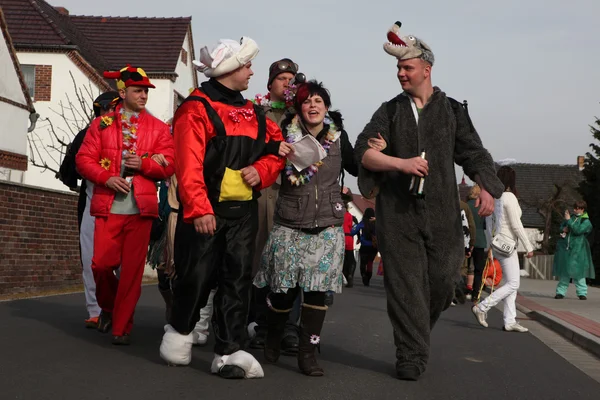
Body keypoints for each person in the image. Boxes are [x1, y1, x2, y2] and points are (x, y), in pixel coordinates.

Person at [354, 21, 504, 380]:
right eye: (398, 69)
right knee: (405, 286)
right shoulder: (389, 111)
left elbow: (475, 153)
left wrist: (486, 187)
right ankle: (411, 355)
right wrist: (399, 163)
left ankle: (416, 333)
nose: (401, 74)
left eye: (407, 68)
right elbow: (363, 153)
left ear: (426, 68)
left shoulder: (452, 110)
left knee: (441, 283)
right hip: (398, 214)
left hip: (442, 215)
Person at [159, 37, 285, 379]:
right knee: (196, 278)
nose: (251, 72)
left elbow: (276, 153)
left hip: (242, 213)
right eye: (246, 66)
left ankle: (228, 350)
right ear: (230, 69)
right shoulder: (196, 109)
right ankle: (180, 332)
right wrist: (199, 209)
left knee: (238, 280)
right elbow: (188, 165)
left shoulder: (255, 114)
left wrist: (260, 171)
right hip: (206, 212)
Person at [254, 80, 362, 377]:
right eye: (306, 101)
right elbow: (259, 156)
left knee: (317, 295)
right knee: (283, 294)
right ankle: (274, 334)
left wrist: (377, 154)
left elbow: (355, 166)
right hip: (290, 222)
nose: (313, 106)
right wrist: (273, 148)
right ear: (298, 108)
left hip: (327, 224)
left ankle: (307, 353)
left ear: (326, 107)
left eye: (318, 101)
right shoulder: (284, 134)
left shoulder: (339, 138)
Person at [76, 65, 175, 345]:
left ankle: (122, 327)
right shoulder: (102, 125)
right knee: (100, 266)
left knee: (131, 273)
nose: (143, 95)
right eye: (137, 90)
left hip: (141, 210)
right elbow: (83, 161)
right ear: (123, 92)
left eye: (146, 91)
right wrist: (107, 178)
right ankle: (109, 308)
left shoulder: (158, 128)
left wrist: (144, 164)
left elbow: (170, 163)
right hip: (108, 207)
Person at [249, 58, 301, 355]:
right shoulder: (255, 112)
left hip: (290, 198)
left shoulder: (302, 114)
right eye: (282, 78)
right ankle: (259, 324)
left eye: (292, 79)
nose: (287, 83)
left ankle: (289, 328)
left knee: (290, 264)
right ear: (269, 84)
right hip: (259, 195)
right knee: (259, 261)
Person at [57, 91, 120, 329]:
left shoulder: (133, 132)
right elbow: (70, 168)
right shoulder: (86, 134)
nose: (112, 114)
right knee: (91, 257)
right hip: (94, 204)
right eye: (108, 109)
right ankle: (96, 309)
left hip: (127, 205)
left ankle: (117, 308)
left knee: (122, 260)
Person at [472, 166, 534, 332]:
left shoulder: (495, 197)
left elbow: (488, 223)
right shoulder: (509, 197)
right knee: (513, 283)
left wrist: (489, 244)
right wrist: (528, 246)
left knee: (509, 282)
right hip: (508, 245)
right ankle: (483, 307)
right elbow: (516, 225)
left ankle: (510, 320)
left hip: (497, 244)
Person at [553, 200, 595, 300]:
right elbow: (562, 226)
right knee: (565, 270)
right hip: (567, 248)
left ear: (583, 209)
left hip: (579, 249)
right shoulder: (572, 218)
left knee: (579, 271)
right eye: (574, 208)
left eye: (577, 208)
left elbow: (578, 230)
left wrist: (568, 221)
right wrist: (563, 229)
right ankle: (560, 292)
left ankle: (582, 292)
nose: (575, 210)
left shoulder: (586, 221)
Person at [467, 185, 488, 302]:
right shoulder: (482, 206)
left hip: (467, 238)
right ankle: (476, 294)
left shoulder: (467, 206)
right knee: (478, 269)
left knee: (464, 267)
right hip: (480, 239)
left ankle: (462, 290)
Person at [350, 208, 378, 286]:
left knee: (363, 262)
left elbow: (353, 231)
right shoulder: (377, 223)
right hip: (374, 246)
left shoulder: (362, 223)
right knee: (370, 262)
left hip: (364, 246)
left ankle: (363, 275)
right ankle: (368, 277)